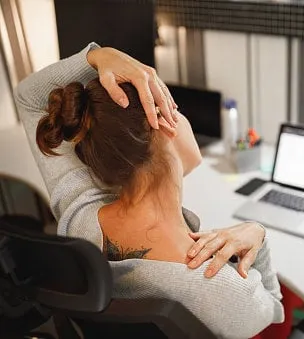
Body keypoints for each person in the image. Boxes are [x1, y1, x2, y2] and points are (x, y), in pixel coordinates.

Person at [15, 42, 284, 338]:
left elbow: (29, 98)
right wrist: (257, 233)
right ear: (164, 122)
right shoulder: (219, 285)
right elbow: (274, 309)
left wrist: (98, 56)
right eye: (176, 108)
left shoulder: (80, 217)